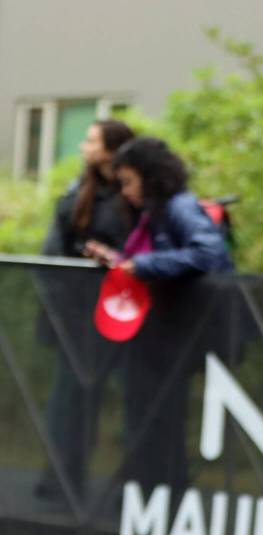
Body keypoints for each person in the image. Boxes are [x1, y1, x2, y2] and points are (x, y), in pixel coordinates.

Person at [83, 137, 232, 535]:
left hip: (172, 346)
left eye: (128, 181)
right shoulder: (153, 214)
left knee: (164, 445)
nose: (124, 192)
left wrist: (144, 267)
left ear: (148, 177)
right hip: (154, 345)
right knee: (150, 442)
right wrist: (118, 261)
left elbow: (209, 253)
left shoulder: (180, 207)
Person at [34, 119, 136, 509]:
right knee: (69, 402)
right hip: (78, 323)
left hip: (129, 321)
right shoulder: (78, 193)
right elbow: (52, 255)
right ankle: (60, 482)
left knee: (134, 403)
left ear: (113, 148)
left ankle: (129, 495)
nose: (84, 146)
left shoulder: (133, 197)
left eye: (92, 140)